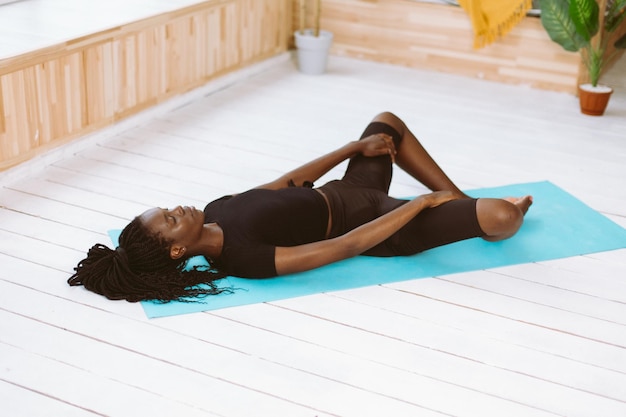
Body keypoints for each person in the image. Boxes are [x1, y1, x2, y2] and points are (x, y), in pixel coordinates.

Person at [68, 112, 532, 303]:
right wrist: (421, 204)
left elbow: (288, 183)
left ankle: (461, 203)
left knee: (386, 126)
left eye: (167, 208)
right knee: (501, 218)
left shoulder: (213, 209)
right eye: (171, 220)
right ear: (175, 251)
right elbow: (347, 245)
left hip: (346, 191)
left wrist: (355, 146)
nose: (178, 209)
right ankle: (474, 212)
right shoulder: (244, 259)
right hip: (382, 226)